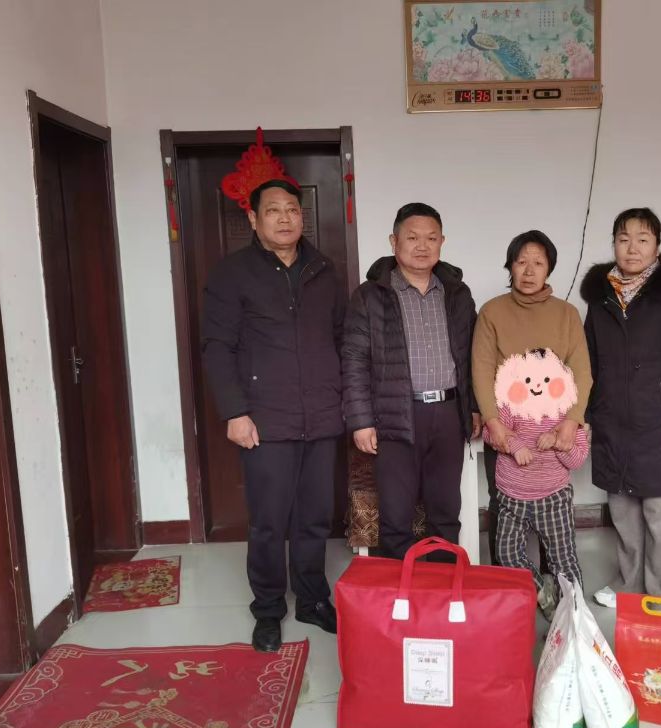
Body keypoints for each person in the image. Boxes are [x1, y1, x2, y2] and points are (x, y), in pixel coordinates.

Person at [201, 128, 343, 652]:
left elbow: (339, 340)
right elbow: (217, 347)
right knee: (268, 522)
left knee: (315, 518)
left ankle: (311, 598)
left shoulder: (323, 270)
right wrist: (235, 411)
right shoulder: (232, 274)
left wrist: (344, 404)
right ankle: (267, 608)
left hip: (322, 415)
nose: (285, 218)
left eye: (293, 210)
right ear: (253, 219)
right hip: (264, 418)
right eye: (274, 211)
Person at [580, 208, 661, 607]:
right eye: (623, 239)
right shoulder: (603, 298)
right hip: (614, 422)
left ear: (657, 246)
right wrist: (587, 415)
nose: (632, 248)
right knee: (623, 511)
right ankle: (628, 583)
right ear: (613, 245)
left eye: (642, 239)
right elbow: (589, 362)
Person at [341, 202, 479, 558]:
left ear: (442, 242)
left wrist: (475, 408)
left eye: (431, 238)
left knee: (445, 510)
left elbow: (472, 356)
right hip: (395, 415)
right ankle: (401, 588)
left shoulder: (457, 293)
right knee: (396, 514)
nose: (422, 246)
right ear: (394, 241)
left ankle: (444, 581)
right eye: (412, 237)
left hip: (448, 413)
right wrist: (360, 421)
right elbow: (354, 360)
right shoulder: (370, 296)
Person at [471, 231, 592, 569]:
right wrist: (494, 423)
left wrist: (572, 422)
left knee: (554, 508)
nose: (528, 270)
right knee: (503, 503)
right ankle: (510, 585)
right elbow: (481, 370)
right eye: (521, 261)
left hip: (554, 427)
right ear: (510, 266)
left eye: (538, 263)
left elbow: (582, 371)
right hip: (507, 426)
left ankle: (554, 582)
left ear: (549, 268)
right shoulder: (492, 312)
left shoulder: (567, 314)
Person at [487, 348, 589, 618]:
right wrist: (514, 445)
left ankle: (574, 618)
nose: (537, 386)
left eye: (545, 379)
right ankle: (543, 592)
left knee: (563, 559)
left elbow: (578, 459)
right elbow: (490, 433)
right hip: (511, 497)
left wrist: (558, 442)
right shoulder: (511, 403)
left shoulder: (567, 411)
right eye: (529, 378)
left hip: (553, 498)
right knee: (507, 555)